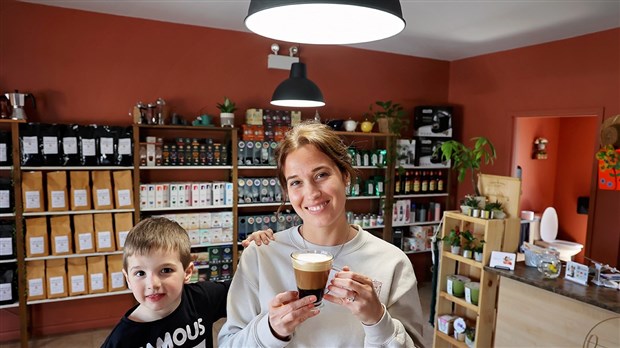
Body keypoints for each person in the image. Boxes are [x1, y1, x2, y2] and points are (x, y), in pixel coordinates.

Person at [219, 121, 426, 347]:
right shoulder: (260, 256)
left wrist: (378, 321)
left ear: (345, 176)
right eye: (296, 182)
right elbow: (229, 343)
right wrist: (270, 330)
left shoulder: (392, 262)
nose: (312, 193)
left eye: (321, 175)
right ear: (286, 190)